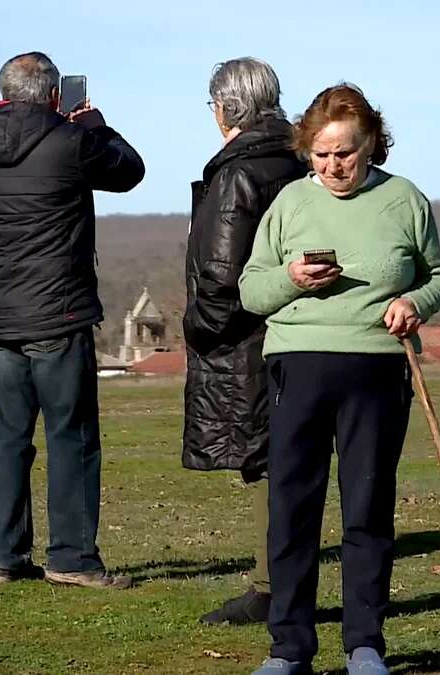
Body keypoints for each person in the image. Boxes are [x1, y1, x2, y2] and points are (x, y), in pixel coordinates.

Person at [239, 84, 440, 675]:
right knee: (292, 509)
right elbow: (251, 291)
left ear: (372, 146)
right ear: (307, 149)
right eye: (322, 154)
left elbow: (439, 274)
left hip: (377, 368)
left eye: (346, 153)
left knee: (366, 506)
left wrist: (415, 301)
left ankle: (364, 644)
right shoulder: (288, 203)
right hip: (297, 366)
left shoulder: (405, 200)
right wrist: (290, 278)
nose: (334, 166)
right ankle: (288, 650)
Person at [0, 52, 145, 590]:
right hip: (58, 314)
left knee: (10, 437)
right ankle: (72, 557)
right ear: (52, 93)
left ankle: (5, 554)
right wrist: (94, 123)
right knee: (73, 436)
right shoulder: (69, 142)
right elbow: (129, 171)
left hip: (1, 316)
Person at [181, 57, 307, 625]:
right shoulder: (303, 158)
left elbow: (221, 273)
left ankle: (270, 587)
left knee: (264, 459)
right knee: (287, 458)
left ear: (225, 110)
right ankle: (278, 582)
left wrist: (197, 327)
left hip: (250, 338)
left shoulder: (238, 172)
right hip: (303, 327)